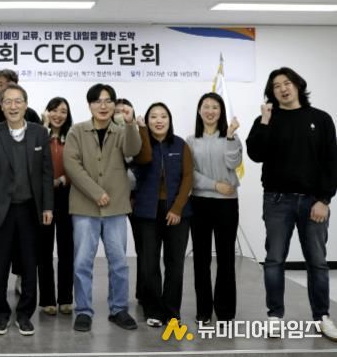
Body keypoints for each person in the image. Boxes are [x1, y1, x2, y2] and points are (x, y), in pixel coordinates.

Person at [246, 67, 337, 340]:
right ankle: (275, 316)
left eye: (287, 83)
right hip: (277, 201)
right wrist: (264, 120)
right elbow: (255, 153)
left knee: (317, 262)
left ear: (298, 85)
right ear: (271, 92)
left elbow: (331, 163)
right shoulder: (266, 119)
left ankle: (322, 317)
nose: (283, 89)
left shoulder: (320, 119)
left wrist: (324, 200)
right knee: (274, 260)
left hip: (313, 202)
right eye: (276, 86)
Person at [63, 84, 141, 333]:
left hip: (116, 207)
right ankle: (83, 311)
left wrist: (130, 123)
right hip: (84, 207)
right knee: (82, 263)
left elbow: (133, 150)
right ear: (89, 105)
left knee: (119, 262)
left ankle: (119, 309)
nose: (103, 105)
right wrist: (96, 193)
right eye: (97, 101)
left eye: (108, 101)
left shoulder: (122, 131)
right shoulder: (77, 131)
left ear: (114, 105)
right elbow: (71, 165)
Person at [0, 83, 53, 336]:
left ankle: (24, 315)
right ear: (1, 107)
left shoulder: (40, 133)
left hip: (30, 209)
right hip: (1, 210)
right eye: (8, 102)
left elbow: (46, 173)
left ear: (26, 104)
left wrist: (48, 207)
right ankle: (0, 314)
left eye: (18, 101)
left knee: (30, 264)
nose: (13, 106)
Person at [0, 69, 38, 299]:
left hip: (24, 191)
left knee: (24, 243)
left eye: (9, 83)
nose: (4, 88)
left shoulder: (30, 114)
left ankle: (21, 276)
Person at [131, 102, 192, 328]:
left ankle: (172, 311)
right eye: (153, 117)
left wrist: (177, 208)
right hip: (146, 211)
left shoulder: (180, 144)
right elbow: (144, 158)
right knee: (149, 264)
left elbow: (188, 178)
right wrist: (141, 131)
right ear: (147, 121)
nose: (159, 120)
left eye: (163, 116)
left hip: (177, 211)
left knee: (175, 264)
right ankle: (154, 310)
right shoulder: (141, 145)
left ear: (169, 120)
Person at [186, 92, 241, 324]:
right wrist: (215, 185)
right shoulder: (191, 141)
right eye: (206, 107)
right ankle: (204, 310)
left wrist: (230, 136)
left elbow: (233, 163)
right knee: (201, 259)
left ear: (221, 112)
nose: (210, 111)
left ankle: (226, 311)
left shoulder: (232, 138)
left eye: (215, 107)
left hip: (227, 204)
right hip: (199, 202)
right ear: (199, 111)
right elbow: (189, 174)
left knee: (226, 258)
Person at [38, 97, 74, 316]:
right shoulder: (39, 135)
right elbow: (33, 162)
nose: (58, 115)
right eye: (53, 110)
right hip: (43, 198)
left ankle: (66, 299)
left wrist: (62, 180)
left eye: (63, 111)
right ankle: (47, 300)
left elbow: (80, 166)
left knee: (66, 249)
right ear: (47, 112)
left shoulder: (73, 137)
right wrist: (43, 127)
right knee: (44, 250)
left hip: (66, 195)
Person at [114, 98, 146, 305]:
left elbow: (144, 163)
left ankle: (143, 293)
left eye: (124, 111)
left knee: (143, 247)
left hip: (137, 197)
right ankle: (117, 299)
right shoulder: (107, 135)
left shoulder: (138, 132)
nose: (120, 114)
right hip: (114, 198)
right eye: (116, 111)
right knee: (117, 250)